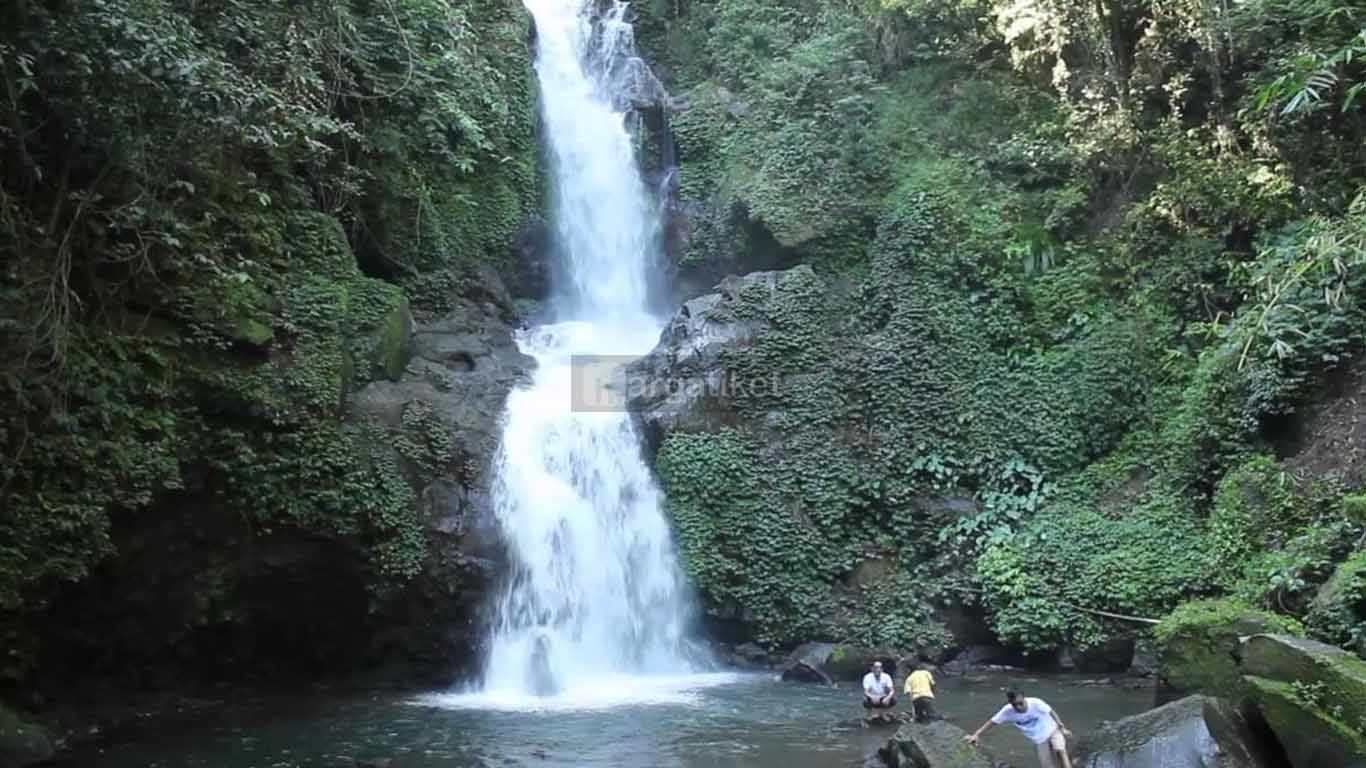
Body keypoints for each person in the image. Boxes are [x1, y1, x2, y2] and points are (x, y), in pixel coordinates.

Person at [964, 690, 1073, 768]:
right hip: (1039, 739)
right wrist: (976, 734)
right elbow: (991, 722)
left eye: (1021, 703)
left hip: (1052, 730)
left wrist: (1062, 728)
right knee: (1047, 764)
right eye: (1015, 705)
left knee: (1060, 750)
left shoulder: (1036, 703)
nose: (1018, 707)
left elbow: (1051, 712)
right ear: (1010, 703)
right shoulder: (1007, 711)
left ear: (1024, 698)